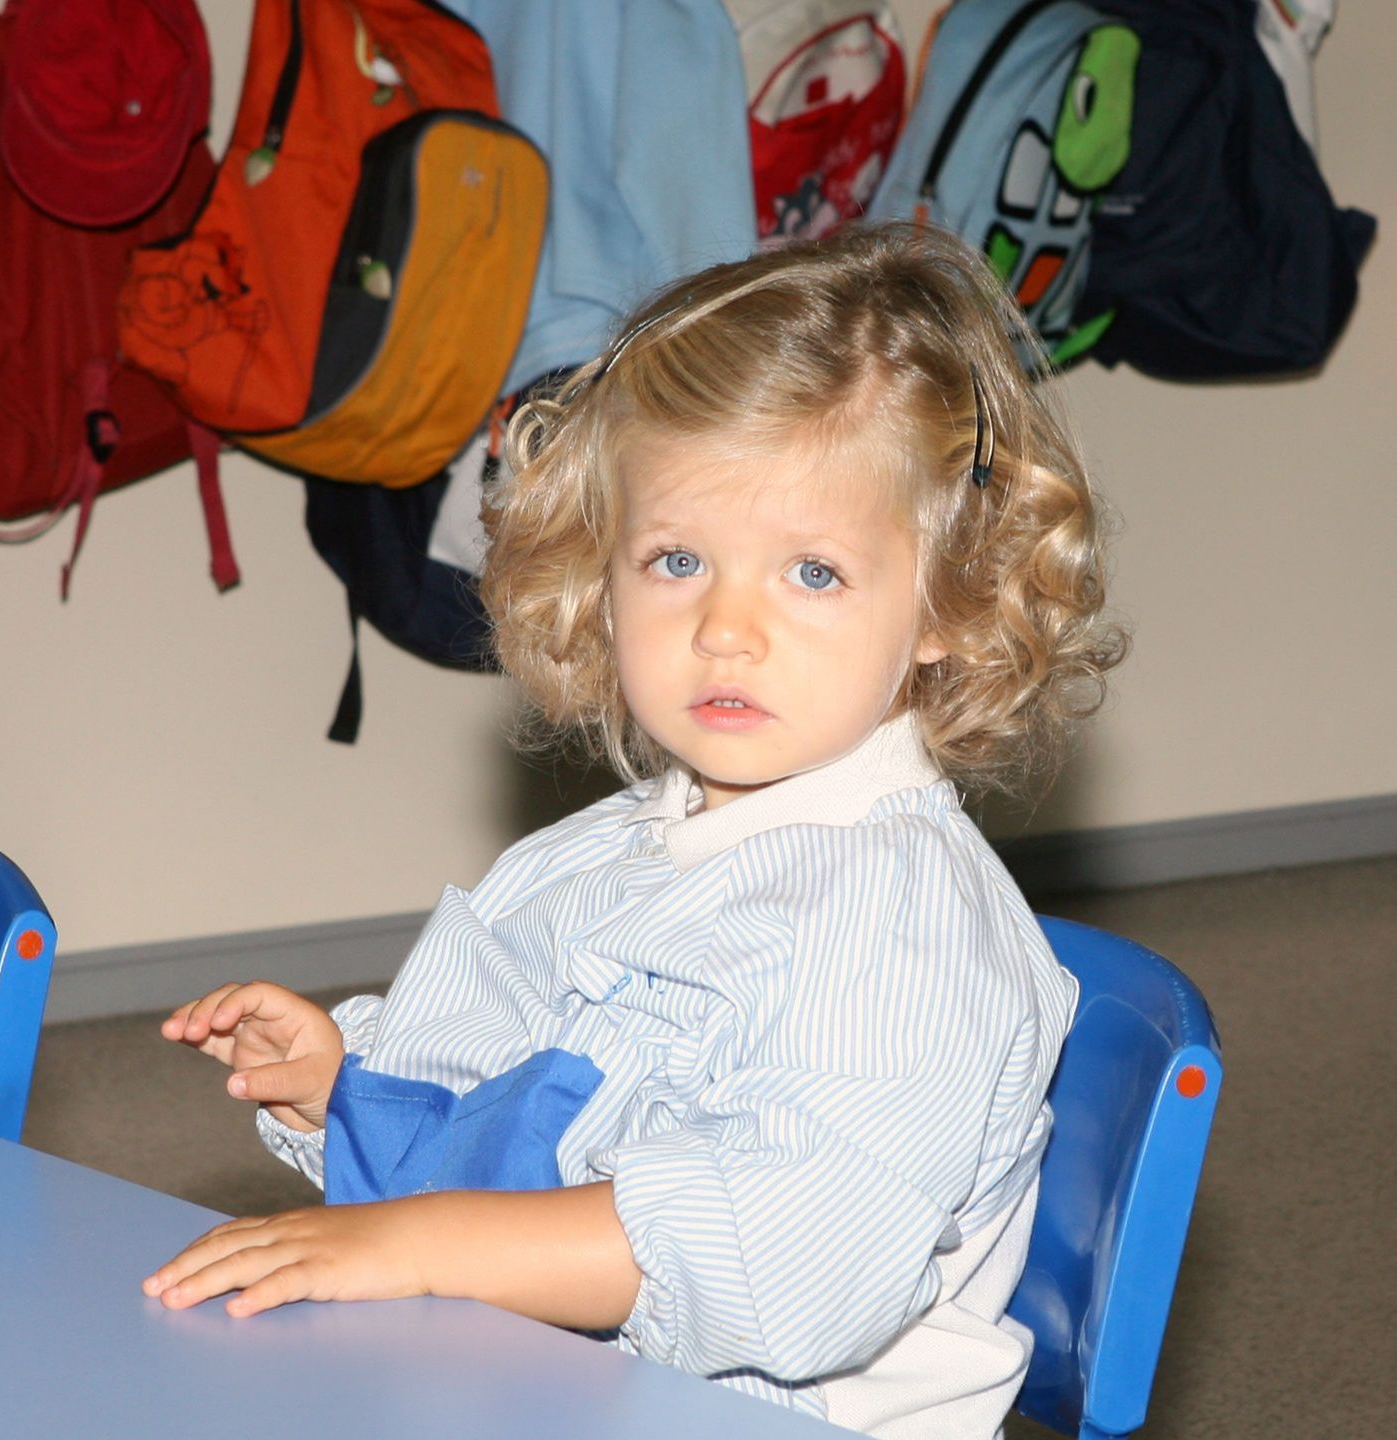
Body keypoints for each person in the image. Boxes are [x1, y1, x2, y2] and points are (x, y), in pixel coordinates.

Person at [145, 222, 1125, 1435]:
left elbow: (784, 1266)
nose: (726, 628)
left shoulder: (903, 931)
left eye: (811, 573)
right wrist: (348, 1093)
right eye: (675, 559)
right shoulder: (584, 861)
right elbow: (504, 1132)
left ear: (947, 602)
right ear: (600, 573)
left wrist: (422, 1241)